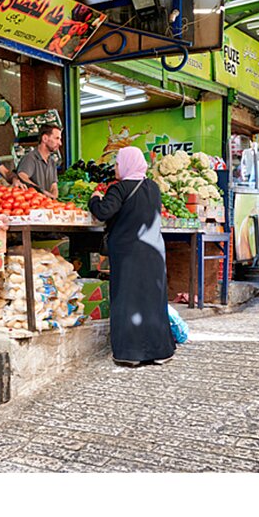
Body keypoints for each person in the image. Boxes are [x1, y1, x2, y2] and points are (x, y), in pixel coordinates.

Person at [88, 147, 175, 366]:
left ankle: (131, 353)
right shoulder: (153, 188)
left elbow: (103, 212)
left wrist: (94, 199)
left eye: (118, 163)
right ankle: (160, 351)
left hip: (129, 255)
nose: (116, 167)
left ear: (127, 164)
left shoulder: (119, 189)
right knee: (152, 301)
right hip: (154, 252)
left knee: (128, 300)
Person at [16, 124, 62, 198]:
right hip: (32, 204)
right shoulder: (30, 158)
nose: (60, 143)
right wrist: (41, 192)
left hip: (47, 205)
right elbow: (22, 176)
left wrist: (53, 197)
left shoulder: (52, 162)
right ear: (45, 138)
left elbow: (54, 186)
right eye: (57, 138)